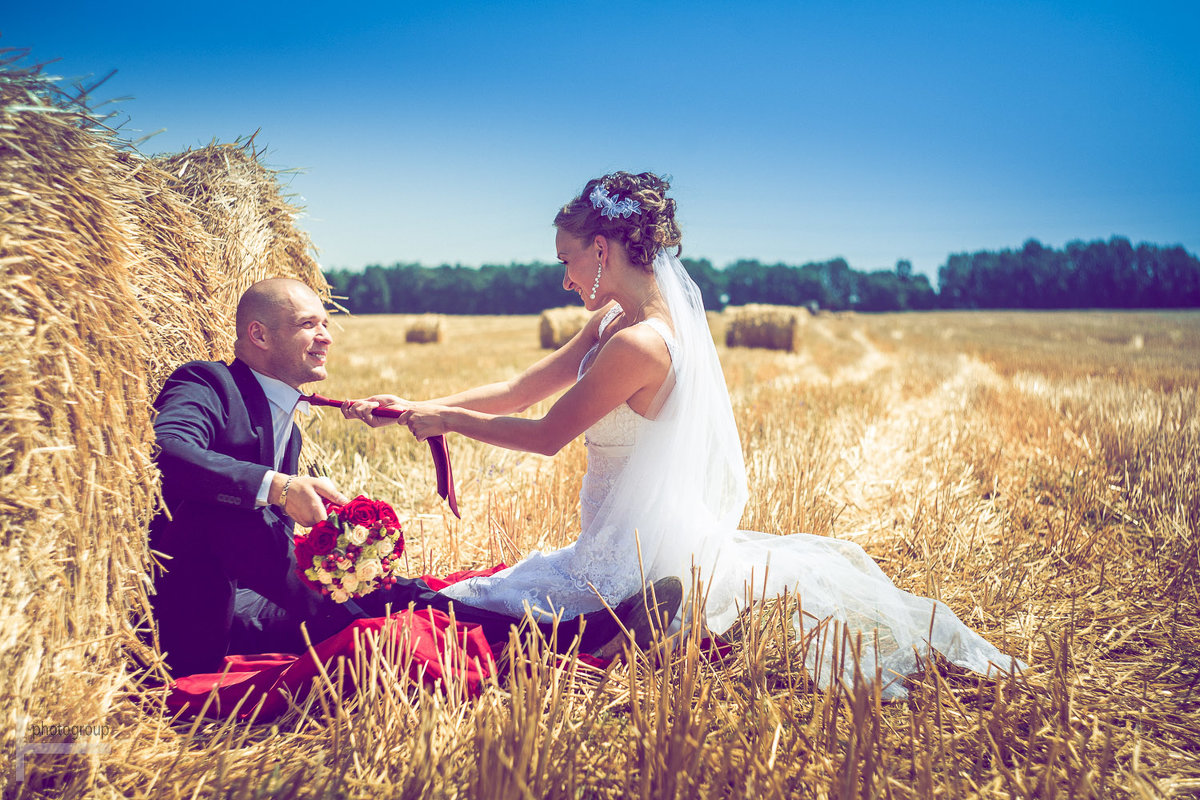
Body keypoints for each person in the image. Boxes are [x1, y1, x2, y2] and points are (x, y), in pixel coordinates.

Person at [344, 172, 1020, 697]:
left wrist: (446, 422)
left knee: (467, 617)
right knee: (474, 599)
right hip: (606, 536)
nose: (565, 276)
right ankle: (643, 617)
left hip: (628, 554)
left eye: (568, 259)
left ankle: (646, 614)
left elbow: (547, 433)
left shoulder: (642, 344)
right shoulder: (610, 320)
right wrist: (416, 406)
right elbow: (523, 389)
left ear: (603, 250)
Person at [149, 277, 671, 677]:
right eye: (309, 324)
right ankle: (555, 640)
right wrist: (281, 488)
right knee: (370, 615)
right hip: (204, 609)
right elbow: (167, 450)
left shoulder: (290, 424)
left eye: (325, 323)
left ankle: (576, 637)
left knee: (401, 596)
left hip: (261, 599)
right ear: (258, 334)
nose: (326, 336)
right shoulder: (208, 383)